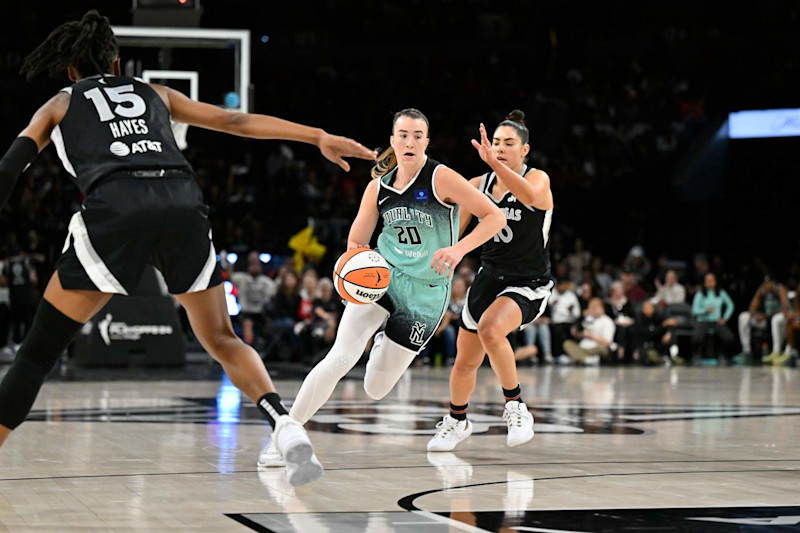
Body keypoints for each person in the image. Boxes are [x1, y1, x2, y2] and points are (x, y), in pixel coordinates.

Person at [0, 10, 377, 487]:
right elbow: (236, 121)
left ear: (71, 70)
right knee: (222, 339)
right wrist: (317, 135)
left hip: (117, 205)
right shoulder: (156, 92)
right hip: (181, 200)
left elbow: (11, 167)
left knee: (36, 355)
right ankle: (285, 425)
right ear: (118, 63)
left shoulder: (59, 102)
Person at [258, 108, 505, 467]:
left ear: (426, 142)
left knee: (376, 389)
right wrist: (356, 263)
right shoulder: (378, 187)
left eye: (418, 135)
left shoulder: (441, 178)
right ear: (392, 141)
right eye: (403, 134)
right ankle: (285, 434)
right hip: (382, 278)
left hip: (425, 293)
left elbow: (494, 217)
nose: (410, 142)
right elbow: (357, 239)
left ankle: (382, 340)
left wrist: (458, 249)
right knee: (340, 357)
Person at [427, 110, 555, 453]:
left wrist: (495, 164)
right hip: (488, 279)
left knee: (490, 329)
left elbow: (528, 197)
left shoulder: (538, 179)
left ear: (524, 150)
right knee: (465, 361)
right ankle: (457, 420)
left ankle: (516, 406)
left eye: (508, 143)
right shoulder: (476, 186)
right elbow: (455, 231)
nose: (499, 148)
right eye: (495, 143)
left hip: (528, 282)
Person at [230, 251, 277, 348]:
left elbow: (274, 292)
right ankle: (249, 346)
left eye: (257, 265)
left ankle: (265, 346)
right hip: (246, 312)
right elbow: (230, 276)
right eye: (252, 265)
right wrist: (228, 264)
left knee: (271, 323)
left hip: (262, 312)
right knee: (248, 323)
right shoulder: (242, 278)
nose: (254, 267)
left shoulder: (266, 282)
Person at [691, 272, 735, 363]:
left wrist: (725, 318)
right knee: (696, 338)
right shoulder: (700, 294)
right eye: (707, 281)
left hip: (716, 321)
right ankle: (696, 355)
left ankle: (723, 355)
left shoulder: (721, 293)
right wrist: (705, 310)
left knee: (729, 337)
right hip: (703, 321)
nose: (709, 282)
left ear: (715, 281)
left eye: (711, 280)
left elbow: (730, 305)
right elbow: (694, 309)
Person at [562, 297, 616, 365]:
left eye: (594, 308)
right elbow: (581, 335)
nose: (592, 310)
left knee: (602, 349)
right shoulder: (588, 318)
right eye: (590, 308)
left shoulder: (607, 321)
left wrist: (590, 336)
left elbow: (607, 342)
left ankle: (577, 358)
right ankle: (586, 359)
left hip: (597, 347)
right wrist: (577, 333)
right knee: (567, 343)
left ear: (602, 308)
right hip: (583, 347)